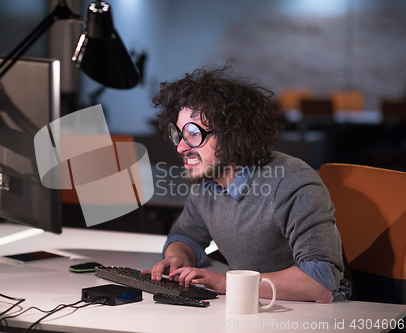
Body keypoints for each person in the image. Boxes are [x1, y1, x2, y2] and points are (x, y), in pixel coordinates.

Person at [141, 67, 348, 303]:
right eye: (179, 134)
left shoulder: (292, 182)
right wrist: (179, 257)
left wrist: (225, 282)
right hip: (251, 311)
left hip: (308, 319)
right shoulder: (207, 182)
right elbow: (185, 236)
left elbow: (320, 283)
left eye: (193, 134)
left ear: (232, 134)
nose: (180, 147)